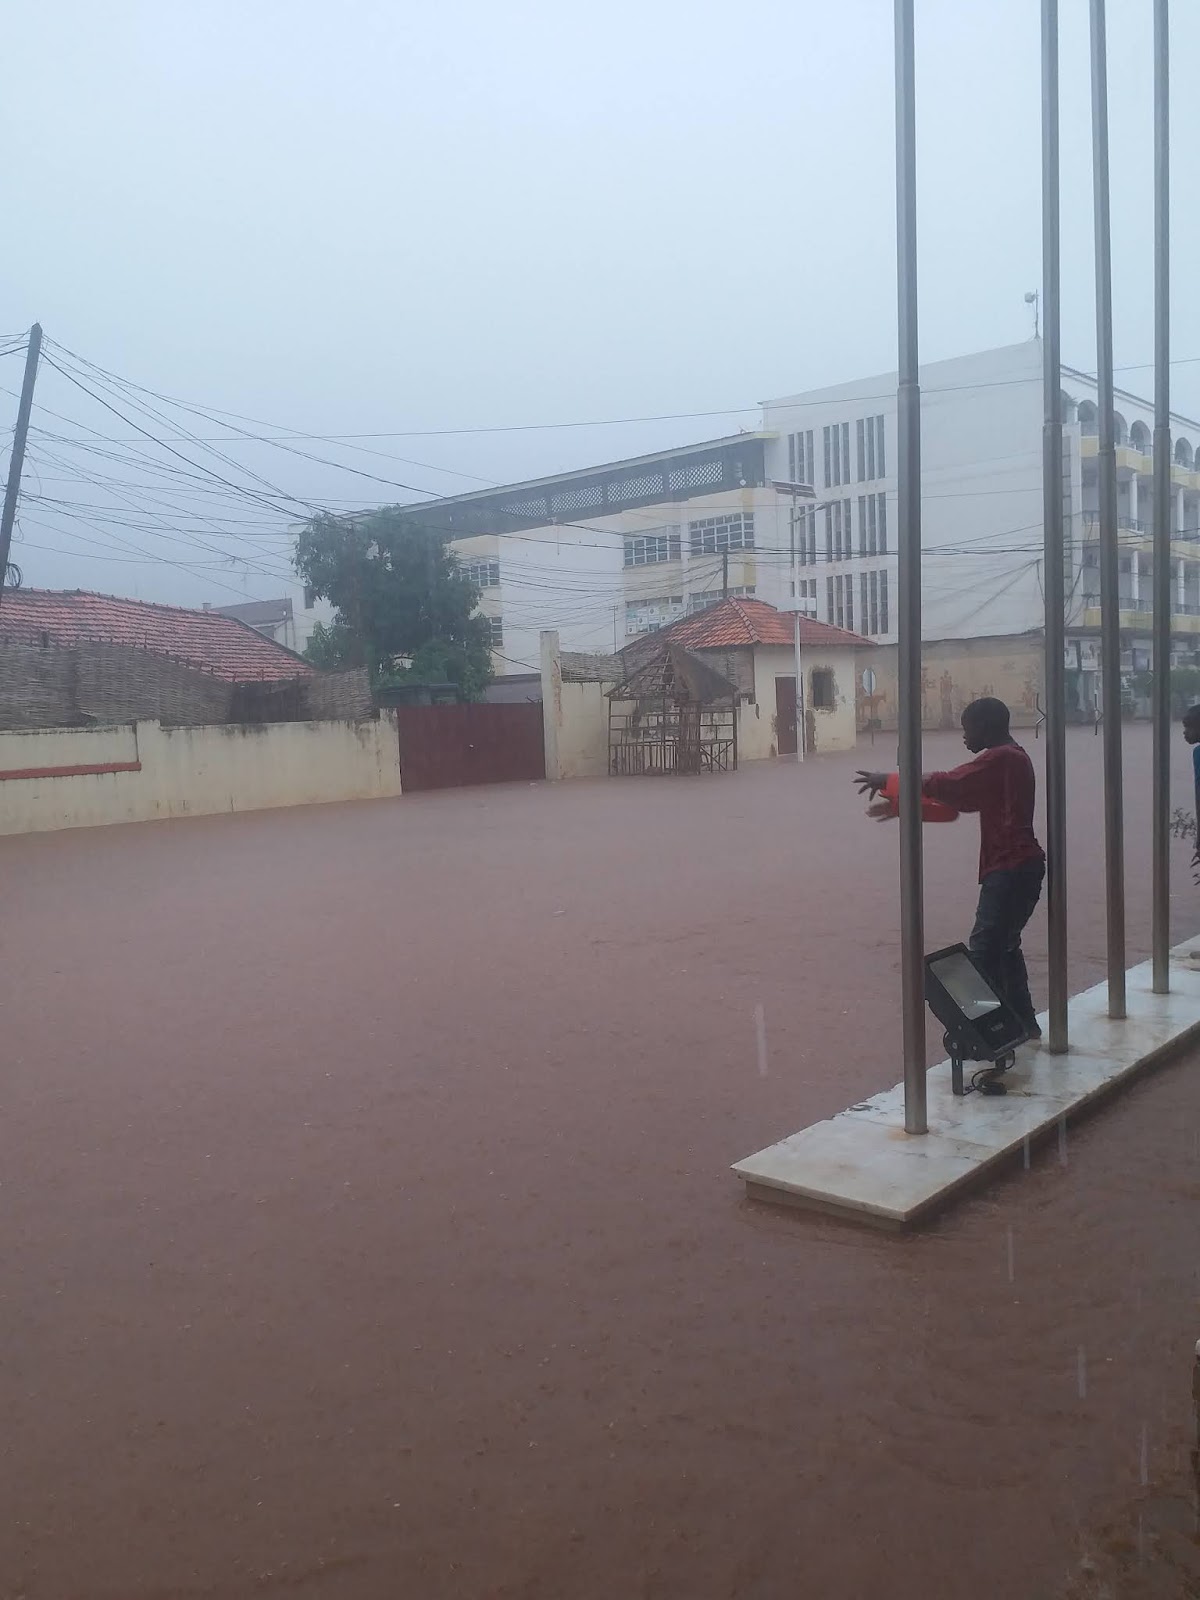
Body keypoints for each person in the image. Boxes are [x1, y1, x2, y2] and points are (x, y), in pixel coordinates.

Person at [855, 696, 1046, 1040]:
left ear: (984, 726)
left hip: (1011, 868)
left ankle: (990, 1032)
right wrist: (900, 804)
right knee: (1005, 947)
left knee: (984, 951)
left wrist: (891, 778)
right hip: (1019, 867)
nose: (964, 736)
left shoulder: (1001, 758)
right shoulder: (1011, 759)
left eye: (967, 728)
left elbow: (952, 783)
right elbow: (961, 802)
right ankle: (1022, 1024)